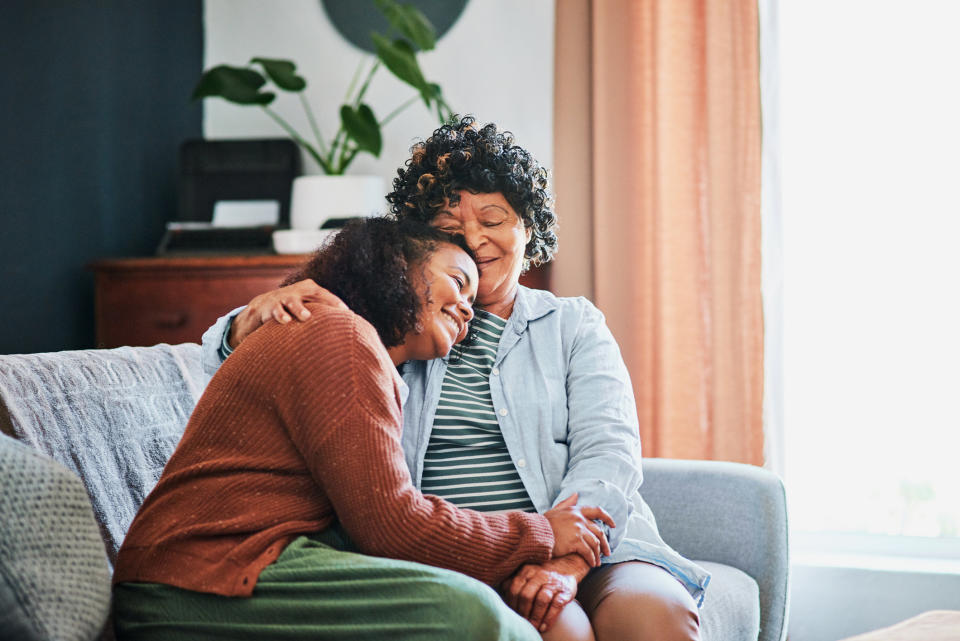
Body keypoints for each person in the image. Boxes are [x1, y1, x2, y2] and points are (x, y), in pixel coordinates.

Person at [204, 118, 711, 641]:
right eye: (450, 226)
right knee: (563, 629)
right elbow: (260, 354)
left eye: (493, 219)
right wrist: (249, 318)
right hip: (463, 552)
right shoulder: (395, 321)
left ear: (528, 228)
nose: (473, 238)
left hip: (591, 551)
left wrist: (565, 564)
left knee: (655, 619)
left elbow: (609, 455)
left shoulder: (573, 325)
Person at [113, 218, 615, 641]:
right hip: (194, 578)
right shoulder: (340, 335)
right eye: (456, 282)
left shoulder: (359, 349)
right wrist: (542, 532)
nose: (467, 307)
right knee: (475, 617)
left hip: (237, 568)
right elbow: (393, 526)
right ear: (398, 267)